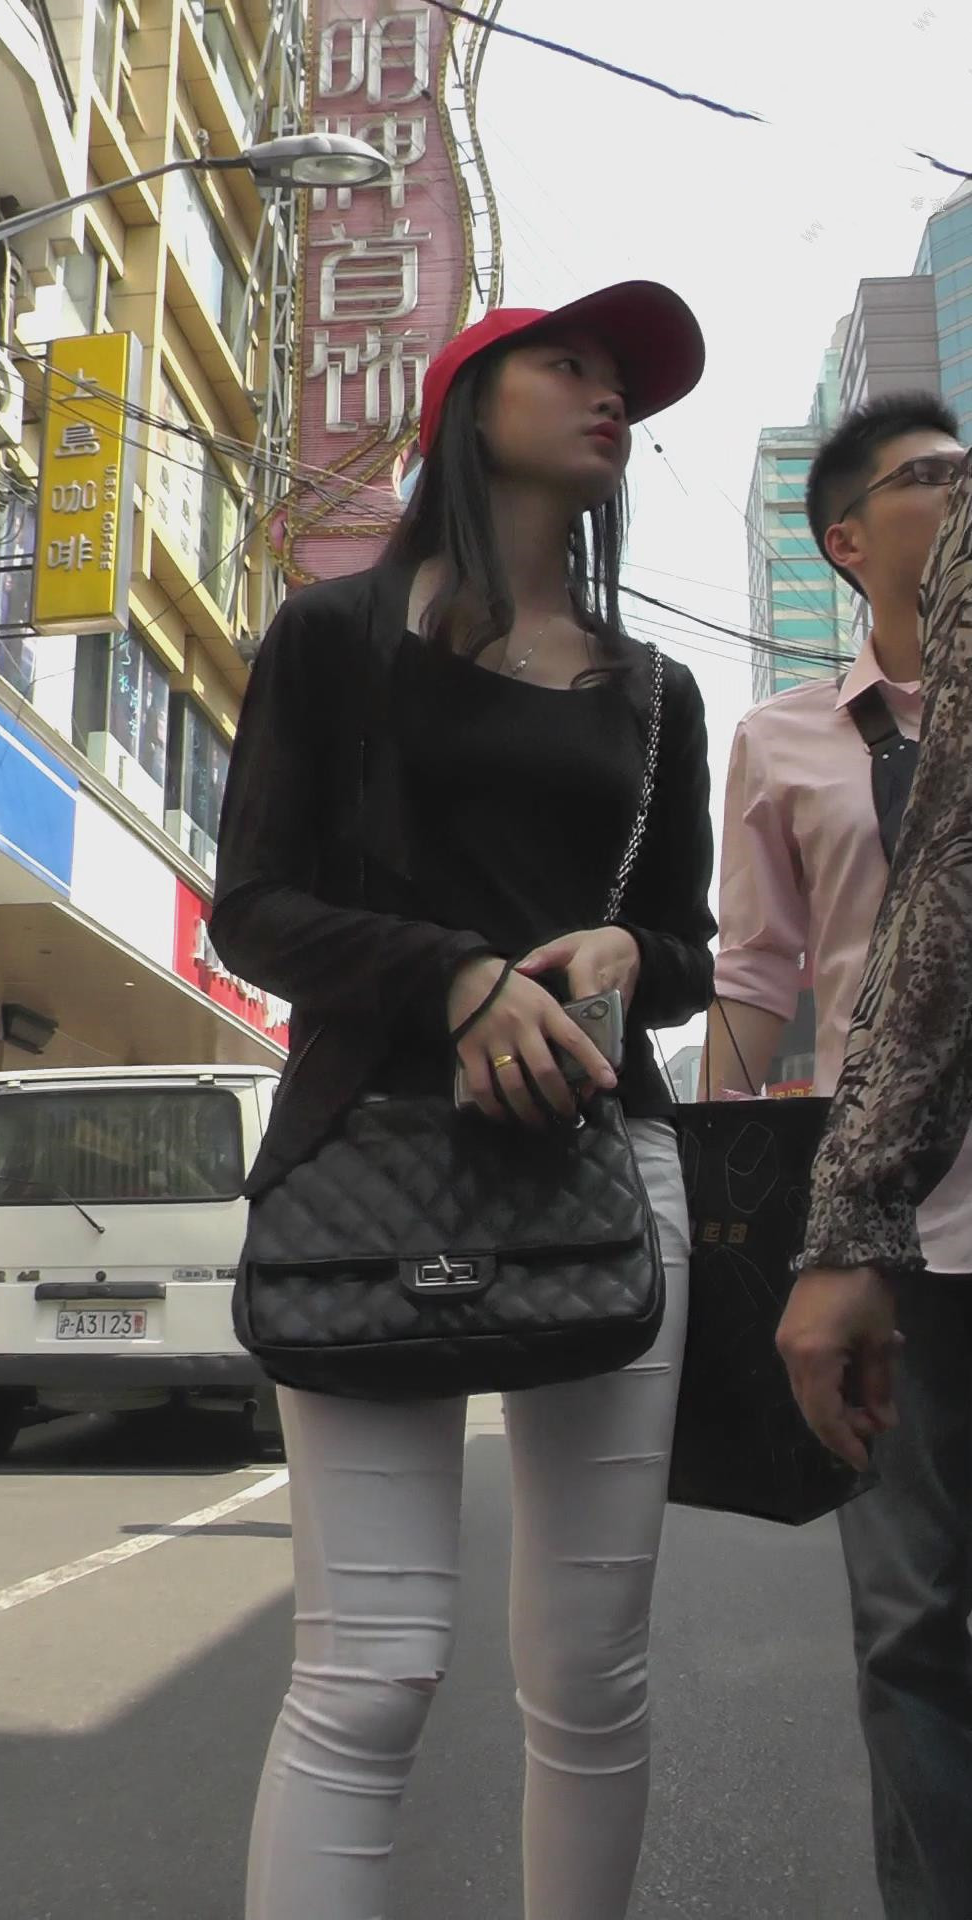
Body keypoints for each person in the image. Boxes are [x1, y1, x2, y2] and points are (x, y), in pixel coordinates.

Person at [210, 284, 714, 1920]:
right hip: (364, 1151)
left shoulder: (656, 693)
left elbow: (691, 952)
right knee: (369, 1670)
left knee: (591, 1670)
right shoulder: (332, 637)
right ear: (464, 402)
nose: (607, 396)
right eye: (568, 364)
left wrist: (629, 950)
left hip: (605, 1160)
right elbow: (252, 910)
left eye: (621, 380)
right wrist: (456, 978)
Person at [707, 395, 969, 1920]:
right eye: (932, 478)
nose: (966, 491)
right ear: (851, 543)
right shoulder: (782, 740)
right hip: (892, 1245)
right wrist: (732, 1219)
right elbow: (758, 979)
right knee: (911, 1625)